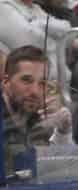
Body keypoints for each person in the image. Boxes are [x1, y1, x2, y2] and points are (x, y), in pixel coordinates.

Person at [2, 45, 71, 182]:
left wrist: (63, 131)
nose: (35, 91)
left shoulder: (35, 115)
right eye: (26, 80)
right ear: (6, 82)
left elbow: (60, 170)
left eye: (42, 83)